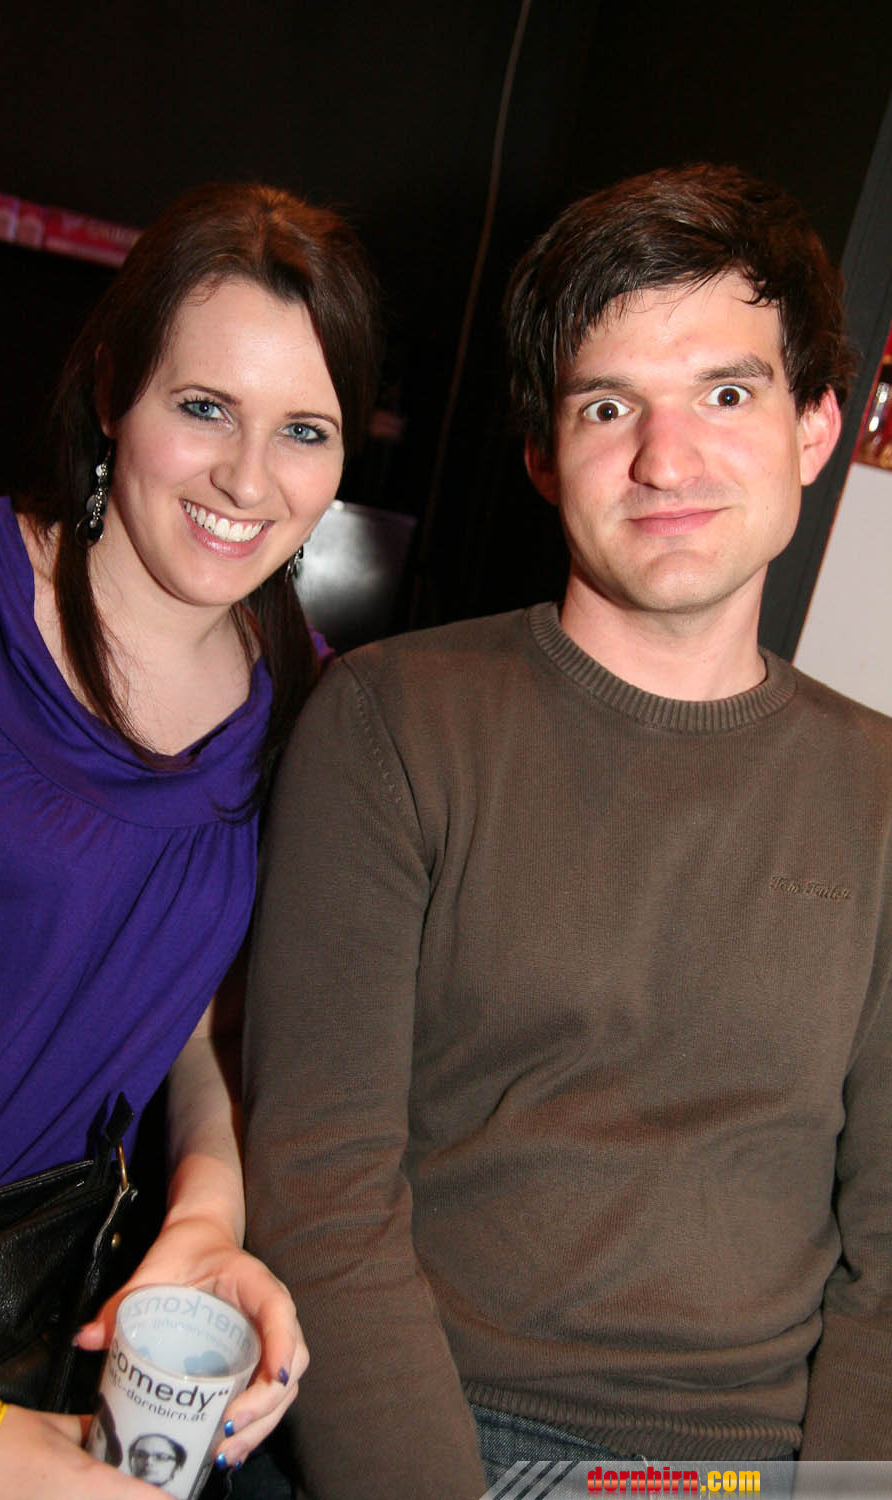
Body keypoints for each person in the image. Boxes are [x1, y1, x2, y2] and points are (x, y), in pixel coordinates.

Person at [242, 163, 892, 1500]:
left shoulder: (879, 788)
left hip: (765, 1465)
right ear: (545, 453)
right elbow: (321, 1188)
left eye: (727, 394)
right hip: (450, 1431)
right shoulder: (390, 721)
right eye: (609, 405)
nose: (667, 459)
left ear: (816, 428)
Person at [0, 180, 381, 1498]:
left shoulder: (311, 703)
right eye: (205, 406)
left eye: (304, 431)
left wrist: (207, 1220)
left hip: (35, 1317)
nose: (247, 479)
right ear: (114, 386)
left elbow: (205, 1014)